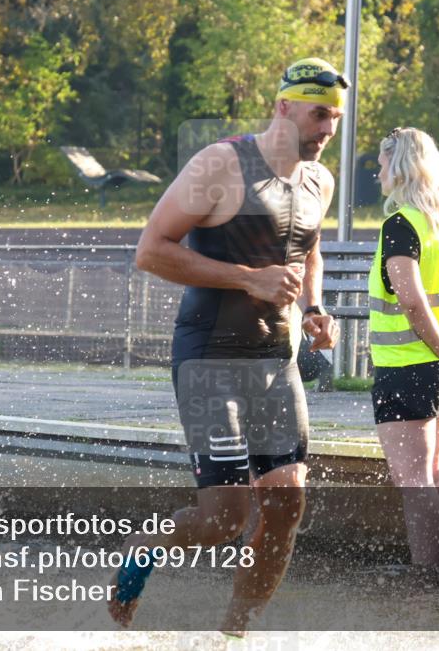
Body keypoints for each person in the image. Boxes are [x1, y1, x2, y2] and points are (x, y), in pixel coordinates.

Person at [107, 58, 344, 633]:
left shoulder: (320, 180)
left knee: (287, 507)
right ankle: (143, 549)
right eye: (318, 115)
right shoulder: (221, 162)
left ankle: (234, 633)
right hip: (210, 359)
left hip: (275, 358)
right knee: (223, 519)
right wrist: (247, 277)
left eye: (335, 119)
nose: (327, 131)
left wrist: (312, 308)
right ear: (283, 107)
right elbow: (151, 250)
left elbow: (309, 251)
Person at [368, 127, 439, 568]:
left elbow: (411, 301)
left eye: (381, 164)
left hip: (407, 368)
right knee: (434, 476)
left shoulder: (401, 224)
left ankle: (425, 576)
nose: (377, 171)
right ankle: (437, 569)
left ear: (398, 168)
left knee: (414, 480)